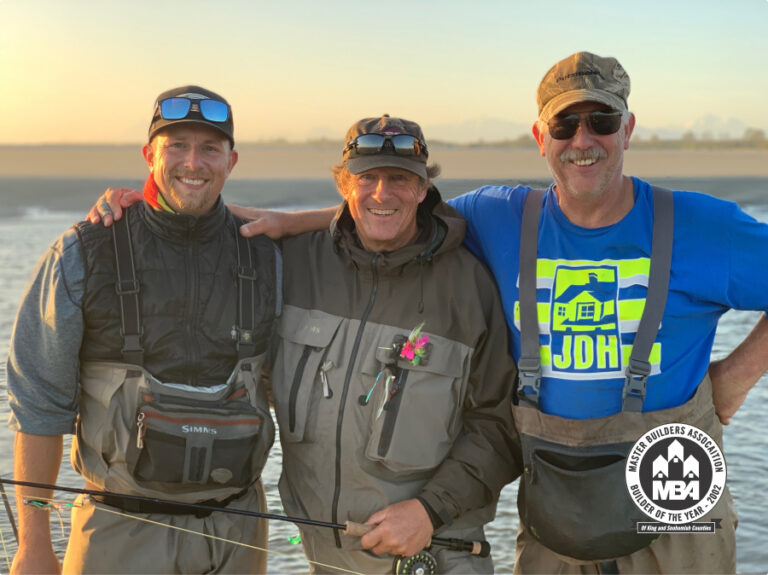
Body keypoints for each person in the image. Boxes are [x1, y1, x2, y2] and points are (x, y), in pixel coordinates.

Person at [166, 53, 768, 573]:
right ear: (541, 137)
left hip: (678, 495)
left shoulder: (700, 224)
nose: (582, 140)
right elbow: (390, 213)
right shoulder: (499, 216)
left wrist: (732, 381)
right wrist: (159, 205)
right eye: (565, 123)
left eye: (601, 120)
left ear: (628, 128)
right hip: (555, 506)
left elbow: (394, 206)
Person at [89, 115, 521, 574]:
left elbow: (500, 427)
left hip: (435, 553)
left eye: (399, 178)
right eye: (366, 177)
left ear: (422, 190)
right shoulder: (291, 261)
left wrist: (429, 510)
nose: (382, 192)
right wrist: (135, 208)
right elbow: (191, 236)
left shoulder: (471, 286)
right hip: (324, 559)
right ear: (343, 185)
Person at [7, 86, 279, 574]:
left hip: (239, 528)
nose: (193, 162)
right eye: (176, 145)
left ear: (231, 161)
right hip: (116, 529)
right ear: (149, 154)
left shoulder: (268, 255)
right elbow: (38, 405)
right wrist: (33, 545)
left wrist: (297, 219)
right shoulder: (83, 251)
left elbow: (369, 225)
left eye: (210, 149)